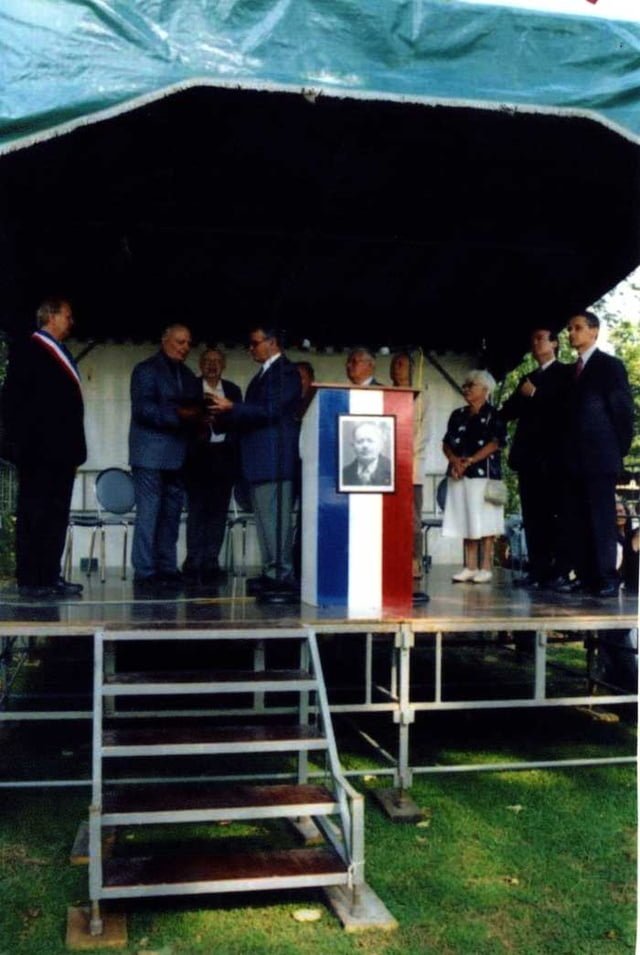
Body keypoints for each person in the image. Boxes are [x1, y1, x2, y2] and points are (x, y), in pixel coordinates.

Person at [1, 297, 86, 598]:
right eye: (67, 315)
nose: (71, 321)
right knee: (35, 513)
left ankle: (50, 574)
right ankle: (32, 577)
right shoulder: (29, 349)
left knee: (55, 515)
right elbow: (13, 402)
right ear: (50, 316)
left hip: (61, 453)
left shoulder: (62, 352)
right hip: (38, 452)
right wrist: (19, 445)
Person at [211, 325, 301, 593]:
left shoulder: (286, 372)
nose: (251, 348)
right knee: (265, 521)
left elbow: (269, 411)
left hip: (273, 460)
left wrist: (232, 407)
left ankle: (282, 574)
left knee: (276, 521)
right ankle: (271, 569)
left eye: (255, 343)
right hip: (261, 460)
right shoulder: (264, 375)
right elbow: (253, 414)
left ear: (272, 343)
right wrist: (222, 416)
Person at [552, 311, 634, 598]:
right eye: (569, 328)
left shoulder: (609, 366)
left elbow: (623, 412)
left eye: (577, 328)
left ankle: (607, 577)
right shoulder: (570, 373)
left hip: (600, 458)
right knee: (576, 517)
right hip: (573, 460)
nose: (571, 333)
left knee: (601, 518)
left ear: (594, 332)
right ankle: (585, 575)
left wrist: (616, 449)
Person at [128, 323, 201, 590]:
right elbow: (143, 409)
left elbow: (194, 410)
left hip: (179, 455)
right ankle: (145, 571)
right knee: (149, 513)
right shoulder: (145, 370)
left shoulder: (188, 375)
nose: (185, 347)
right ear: (164, 340)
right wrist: (179, 416)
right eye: (180, 342)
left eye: (188, 343)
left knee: (171, 514)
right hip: (149, 454)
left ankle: (167, 567)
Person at [500, 327, 571, 588]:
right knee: (533, 516)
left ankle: (560, 570)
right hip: (529, 458)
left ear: (554, 343)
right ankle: (537, 569)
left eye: (541, 338)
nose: (535, 343)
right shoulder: (527, 378)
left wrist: (537, 395)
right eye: (532, 339)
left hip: (554, 458)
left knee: (557, 514)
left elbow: (567, 410)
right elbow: (507, 411)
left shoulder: (566, 373)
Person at [182, 346, 242, 583]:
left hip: (223, 458)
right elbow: (181, 420)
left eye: (217, 361)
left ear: (224, 365)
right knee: (197, 512)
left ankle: (211, 562)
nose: (212, 365)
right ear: (200, 364)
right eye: (207, 360)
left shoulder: (233, 391)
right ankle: (193, 561)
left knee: (218, 513)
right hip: (197, 458)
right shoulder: (190, 388)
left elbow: (240, 422)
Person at [442, 369, 507, 583]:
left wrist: (470, 461)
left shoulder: (494, 414)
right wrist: (455, 461)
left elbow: (496, 443)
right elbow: (446, 443)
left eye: (472, 385)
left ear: (485, 390)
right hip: (459, 474)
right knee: (465, 517)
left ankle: (486, 567)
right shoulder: (457, 414)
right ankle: (469, 566)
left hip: (485, 474)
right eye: (465, 385)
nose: (467, 389)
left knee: (486, 519)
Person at [390, 351, 429, 578]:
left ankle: (414, 561)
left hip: (412, 466)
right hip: (387, 467)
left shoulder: (423, 396)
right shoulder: (386, 394)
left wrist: (405, 452)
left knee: (412, 517)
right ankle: (393, 559)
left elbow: (425, 433)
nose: (397, 368)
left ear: (412, 369)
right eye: (394, 364)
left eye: (402, 364)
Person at [342, 420, 392, 486]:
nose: (365, 446)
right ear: (353, 446)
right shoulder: (344, 473)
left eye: (370, 441)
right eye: (360, 441)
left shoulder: (392, 469)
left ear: (381, 444)